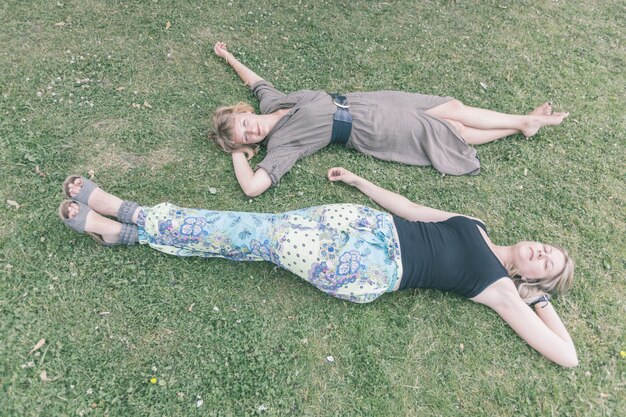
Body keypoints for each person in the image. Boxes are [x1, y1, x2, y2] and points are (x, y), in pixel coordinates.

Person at [58, 170, 577, 367]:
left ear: (534, 279)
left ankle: (129, 215)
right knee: (252, 231)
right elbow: (412, 209)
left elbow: (567, 356)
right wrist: (359, 182)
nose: (541, 252)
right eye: (547, 247)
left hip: (368, 265)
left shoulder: (501, 290)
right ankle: (126, 231)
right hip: (364, 222)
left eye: (547, 264)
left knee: (254, 235)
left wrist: (539, 300)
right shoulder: (477, 224)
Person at [210, 41, 570, 197]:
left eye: (244, 125)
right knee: (452, 132)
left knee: (451, 107)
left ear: (246, 114)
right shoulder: (283, 146)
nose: (251, 131)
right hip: (367, 129)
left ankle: (523, 122)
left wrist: (228, 57)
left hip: (368, 102)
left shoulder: (273, 102)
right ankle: (522, 124)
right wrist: (237, 156)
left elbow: (255, 81)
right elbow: (253, 188)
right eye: (246, 139)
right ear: (250, 145)